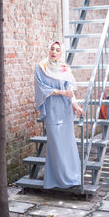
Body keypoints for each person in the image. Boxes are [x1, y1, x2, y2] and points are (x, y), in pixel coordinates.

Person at [34, 41, 85, 189]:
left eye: (57, 50)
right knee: (55, 144)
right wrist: (60, 92)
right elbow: (42, 88)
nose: (54, 52)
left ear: (61, 53)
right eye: (52, 48)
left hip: (66, 110)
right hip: (52, 110)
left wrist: (76, 106)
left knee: (68, 144)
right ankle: (56, 178)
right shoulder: (41, 68)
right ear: (48, 50)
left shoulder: (64, 68)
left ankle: (72, 177)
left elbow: (70, 91)